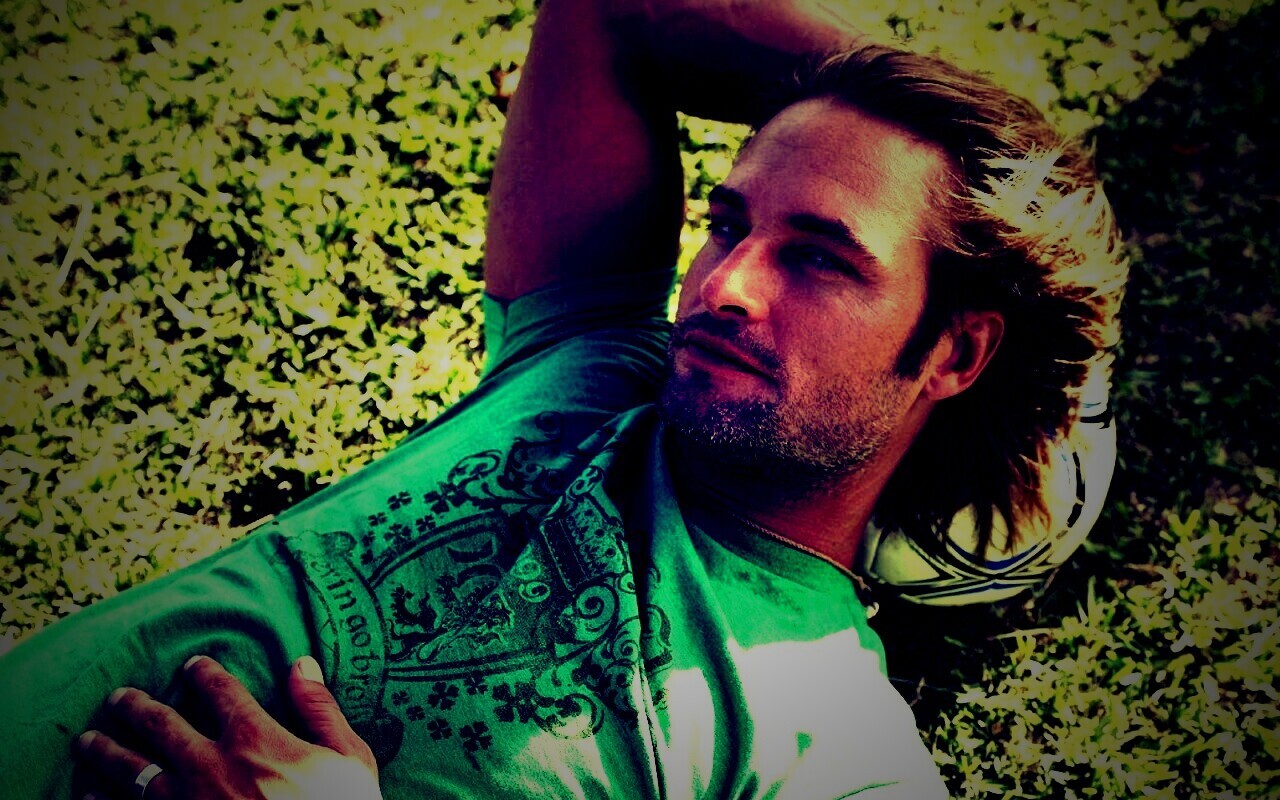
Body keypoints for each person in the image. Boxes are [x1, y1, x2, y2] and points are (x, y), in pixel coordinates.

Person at [0, 0, 1126, 797]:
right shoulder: (592, 361)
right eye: (729, 223)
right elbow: (611, 12)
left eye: (822, 257)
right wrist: (932, 128)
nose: (723, 286)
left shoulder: (835, 755)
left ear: (956, 351)